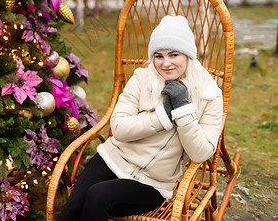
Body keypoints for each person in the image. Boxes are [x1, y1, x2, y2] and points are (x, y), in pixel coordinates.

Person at [57, 15, 223, 220]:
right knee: (73, 207)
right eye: (159, 56)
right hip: (112, 158)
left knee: (98, 196)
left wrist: (182, 111)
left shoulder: (209, 94)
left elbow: (201, 153)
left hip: (152, 183)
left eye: (174, 55)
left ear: (188, 55)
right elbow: (118, 127)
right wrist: (161, 117)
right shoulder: (141, 78)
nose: (165, 63)